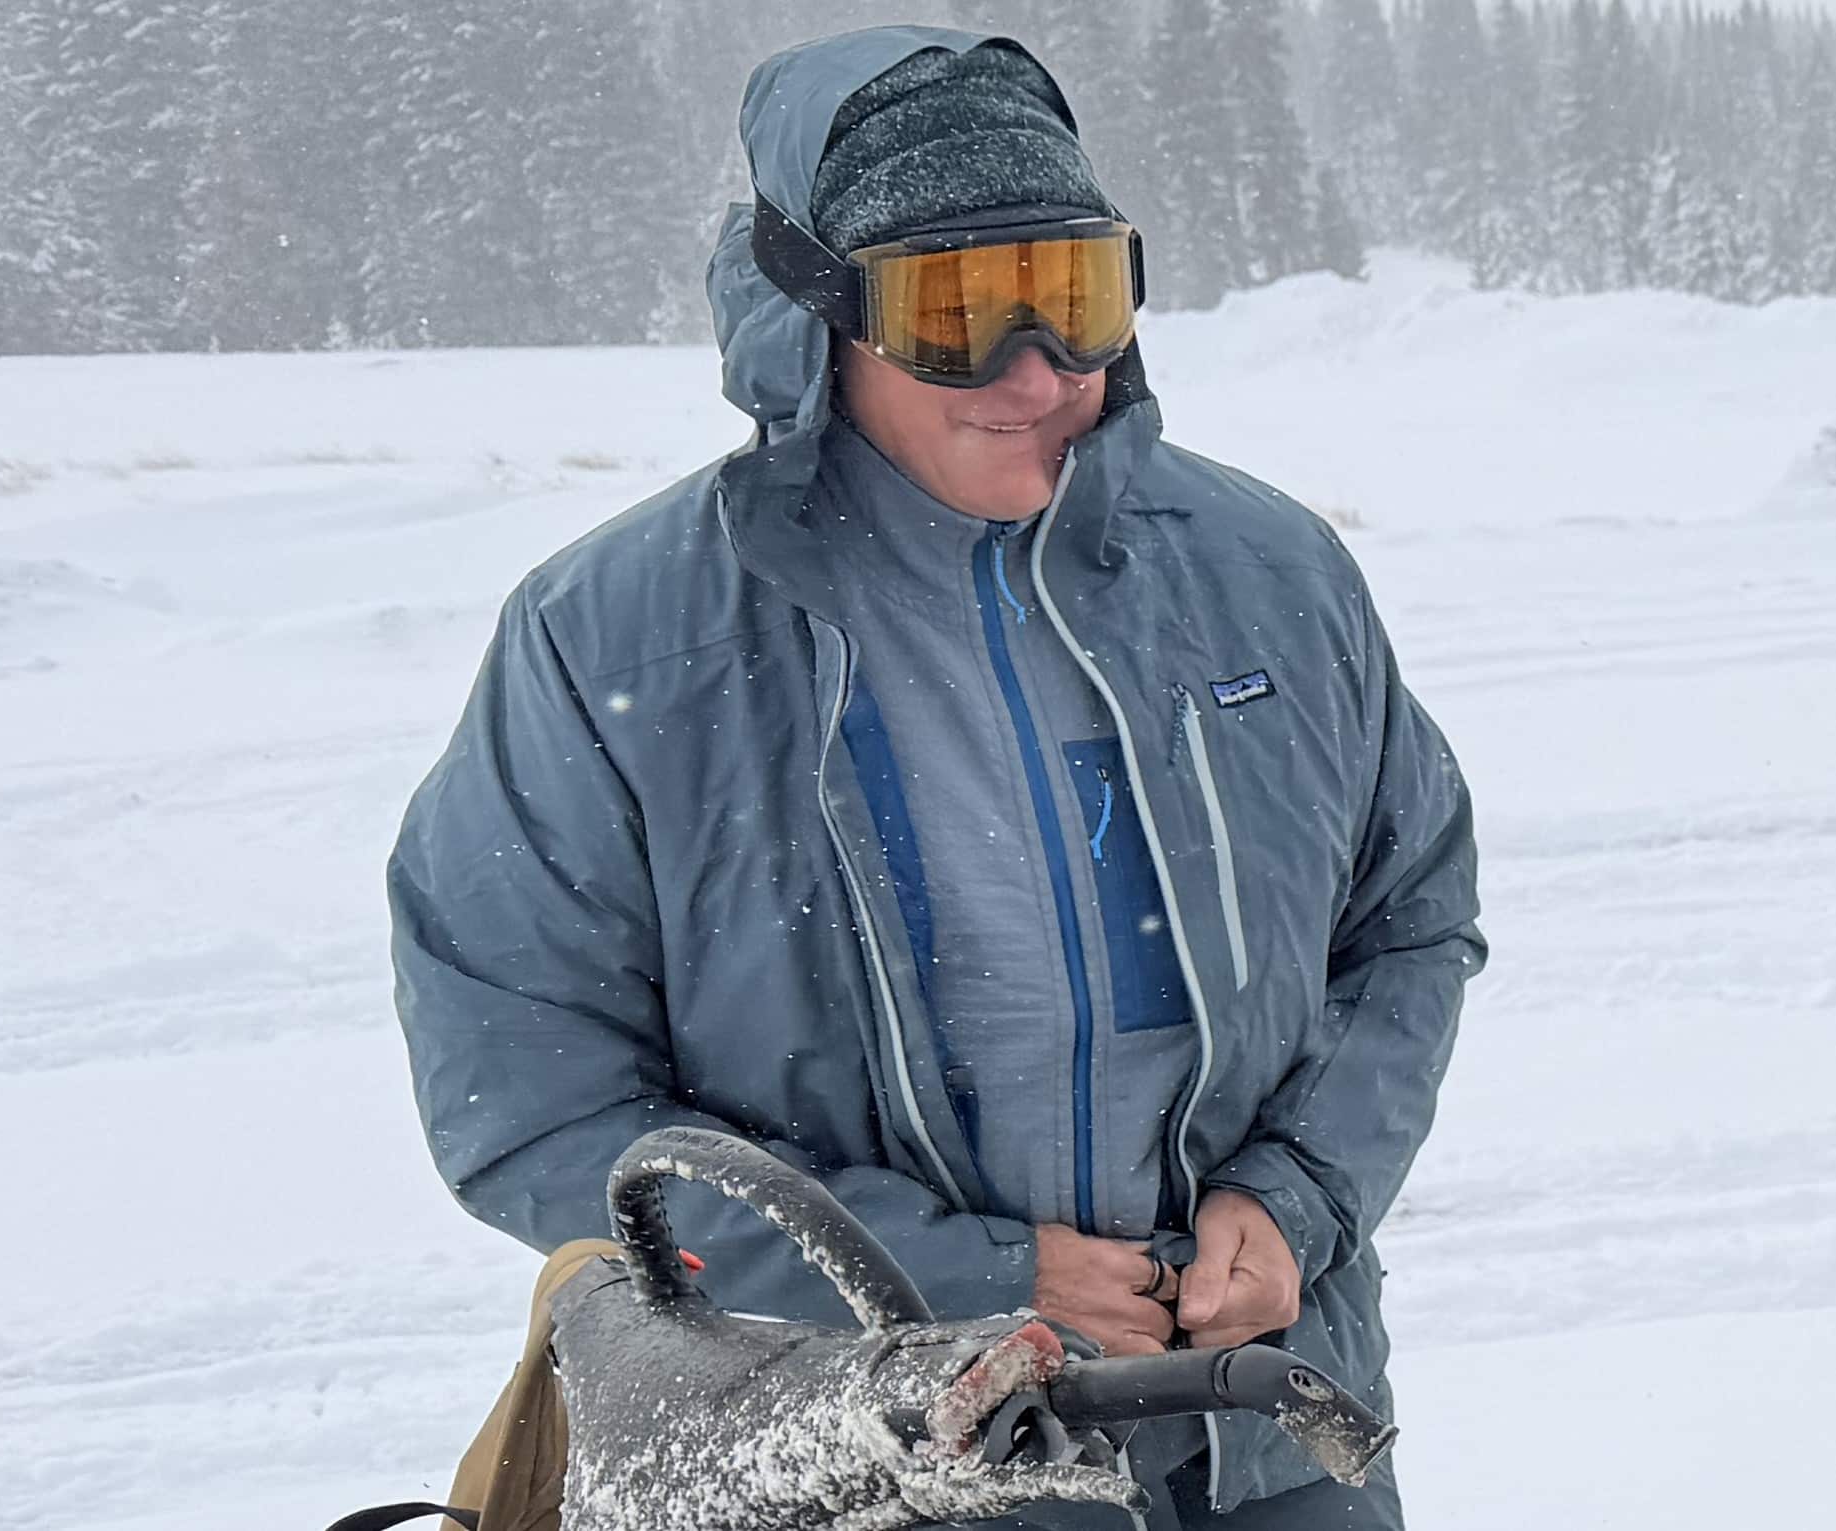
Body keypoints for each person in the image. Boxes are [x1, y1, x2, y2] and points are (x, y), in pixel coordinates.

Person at [389, 24, 1485, 1530]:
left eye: (1074, 298)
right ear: (810, 315)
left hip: (1270, 1436)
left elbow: (1408, 925)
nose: (1037, 376)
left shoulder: (1264, 577)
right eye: (957, 310)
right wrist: (957, 1280)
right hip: (895, 1459)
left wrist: (1292, 1197)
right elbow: (525, 1093)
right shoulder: (615, 638)